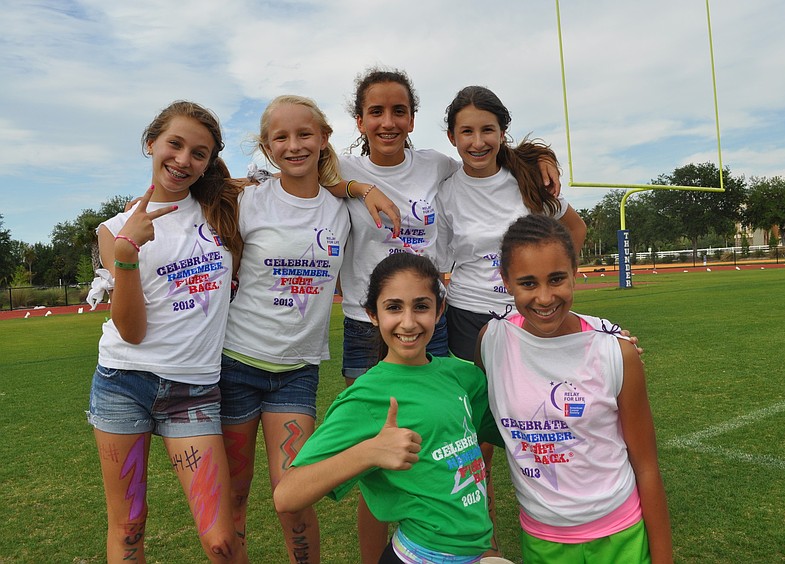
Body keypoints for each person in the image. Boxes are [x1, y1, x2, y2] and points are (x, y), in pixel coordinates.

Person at [331, 68, 559, 561]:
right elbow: (295, 166)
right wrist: (360, 189)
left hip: (431, 324)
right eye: (376, 112)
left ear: (414, 119)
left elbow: (490, 159)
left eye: (399, 111)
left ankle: (479, 550)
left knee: (457, 451)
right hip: (366, 326)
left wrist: (542, 158)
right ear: (359, 119)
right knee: (376, 456)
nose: (388, 122)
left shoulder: (436, 166)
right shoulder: (341, 168)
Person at [86, 100, 247, 563]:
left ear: (209, 162)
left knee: (220, 540)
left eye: (199, 153)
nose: (183, 160)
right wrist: (127, 251)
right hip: (124, 382)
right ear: (151, 142)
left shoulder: (224, 209)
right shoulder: (114, 227)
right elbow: (131, 331)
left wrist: (355, 185)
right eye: (174, 144)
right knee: (129, 526)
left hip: (194, 390)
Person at [274, 253, 500, 563]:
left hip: (473, 552)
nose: (408, 322)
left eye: (421, 306)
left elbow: (508, 428)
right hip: (420, 556)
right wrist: (370, 452)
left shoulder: (461, 376)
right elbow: (287, 495)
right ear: (373, 314)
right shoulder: (369, 396)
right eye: (394, 307)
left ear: (439, 310)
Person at [476, 214, 672, 564]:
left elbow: (646, 466)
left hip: (621, 535)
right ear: (505, 280)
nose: (545, 297)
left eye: (556, 279)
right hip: (541, 540)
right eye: (527, 283)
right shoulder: (491, 342)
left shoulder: (617, 351)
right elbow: (480, 441)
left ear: (574, 271)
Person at [218, 95, 351, 564]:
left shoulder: (344, 207)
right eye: (281, 138)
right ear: (268, 147)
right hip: (235, 364)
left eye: (304, 134)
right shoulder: (247, 199)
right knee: (233, 494)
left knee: (293, 496)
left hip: (296, 371)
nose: (294, 146)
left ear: (323, 139)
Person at [436, 85, 587, 362]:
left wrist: (555, 279)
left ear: (502, 134)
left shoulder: (528, 180)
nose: (478, 142)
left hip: (528, 311)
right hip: (467, 314)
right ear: (452, 137)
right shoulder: (445, 193)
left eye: (488, 130)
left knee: (530, 400)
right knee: (478, 400)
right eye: (467, 131)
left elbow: (577, 228)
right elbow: (440, 263)